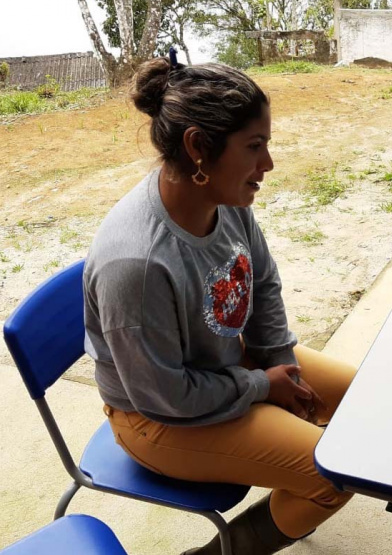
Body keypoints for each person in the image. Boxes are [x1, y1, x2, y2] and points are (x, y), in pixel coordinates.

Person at [82, 49, 357, 555]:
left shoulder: (223, 200)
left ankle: (295, 502)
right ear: (198, 148)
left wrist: (282, 370)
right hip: (158, 417)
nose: (267, 165)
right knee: (335, 470)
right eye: (255, 147)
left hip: (223, 364)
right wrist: (260, 386)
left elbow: (265, 287)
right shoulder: (137, 264)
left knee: (366, 399)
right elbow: (165, 395)